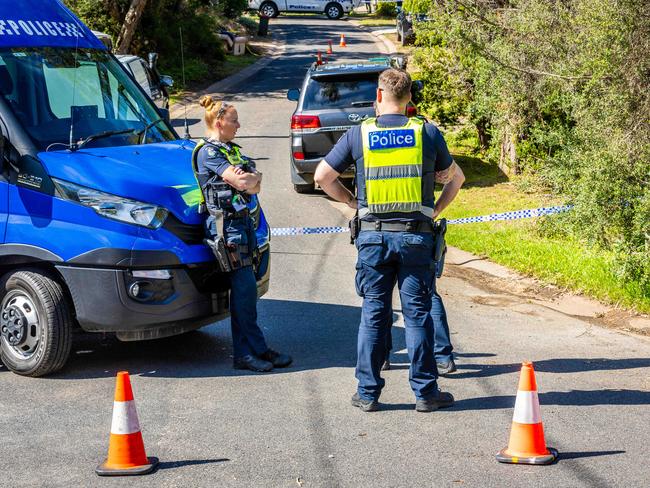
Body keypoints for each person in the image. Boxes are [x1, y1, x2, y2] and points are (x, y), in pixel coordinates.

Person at [314, 68, 465, 412]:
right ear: (410, 98)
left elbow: (323, 176)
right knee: (418, 316)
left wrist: (352, 202)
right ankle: (425, 394)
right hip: (415, 239)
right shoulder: (426, 132)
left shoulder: (359, 134)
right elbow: (457, 178)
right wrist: (435, 209)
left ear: (379, 97)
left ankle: (367, 393)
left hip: (373, 239)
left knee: (373, 314)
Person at [192, 95, 292, 373]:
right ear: (220, 122)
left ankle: (257, 349)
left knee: (248, 291)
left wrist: (250, 180)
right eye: (234, 120)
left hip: (244, 223)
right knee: (244, 291)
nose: (239, 125)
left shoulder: (229, 150)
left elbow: (256, 181)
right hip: (228, 228)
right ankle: (245, 354)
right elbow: (241, 180)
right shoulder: (209, 152)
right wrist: (247, 180)